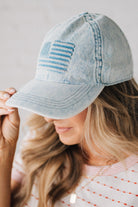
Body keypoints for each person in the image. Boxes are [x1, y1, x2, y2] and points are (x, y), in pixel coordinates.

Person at [0, 12, 137, 207]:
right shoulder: (40, 142)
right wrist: (4, 151)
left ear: (107, 99)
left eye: (62, 101)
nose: (47, 118)